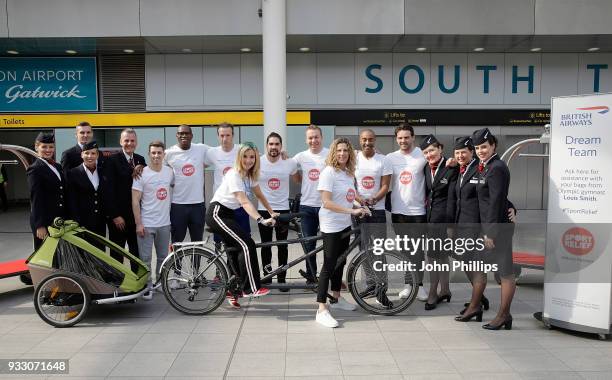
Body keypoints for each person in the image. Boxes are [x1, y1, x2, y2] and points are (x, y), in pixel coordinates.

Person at [205, 142, 277, 309]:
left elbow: (260, 195)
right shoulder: (234, 174)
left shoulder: (250, 176)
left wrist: (271, 212)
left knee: (236, 250)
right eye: (245, 156)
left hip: (228, 214)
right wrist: (260, 219)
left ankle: (233, 290)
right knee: (246, 244)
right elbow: (244, 201)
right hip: (217, 213)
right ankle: (250, 288)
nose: (248, 160)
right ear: (239, 157)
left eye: (252, 157)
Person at [315, 138, 368, 328]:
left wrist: (361, 204)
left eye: (346, 150)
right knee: (329, 265)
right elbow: (327, 202)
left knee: (340, 262)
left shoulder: (347, 173)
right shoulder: (328, 172)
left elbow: (350, 197)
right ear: (333, 152)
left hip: (344, 223)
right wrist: (352, 211)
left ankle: (336, 298)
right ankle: (321, 309)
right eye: (339, 150)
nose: (342, 154)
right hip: (330, 224)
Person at [472, 128, 516, 330]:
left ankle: (503, 315)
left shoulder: (496, 167)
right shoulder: (486, 166)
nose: (480, 150)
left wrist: (490, 232)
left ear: (493, 146)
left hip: (497, 229)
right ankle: (493, 311)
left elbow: (497, 201)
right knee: (487, 268)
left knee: (505, 272)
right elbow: (497, 197)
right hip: (492, 225)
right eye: (477, 147)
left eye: (484, 147)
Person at [384, 123, 428, 301]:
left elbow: (438, 162)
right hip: (398, 211)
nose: (403, 140)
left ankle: (420, 286)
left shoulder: (422, 154)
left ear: (413, 137)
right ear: (396, 139)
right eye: (400, 138)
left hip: (418, 212)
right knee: (404, 250)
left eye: (406, 137)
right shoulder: (390, 158)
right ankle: (408, 285)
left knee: (417, 250)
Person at [354, 129, 392, 306]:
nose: (367, 142)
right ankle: (370, 285)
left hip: (377, 211)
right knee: (363, 250)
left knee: (378, 251)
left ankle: (382, 289)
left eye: (370, 139)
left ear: (375, 140)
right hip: (359, 211)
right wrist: (359, 200)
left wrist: (375, 198)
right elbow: (350, 185)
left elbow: (385, 185)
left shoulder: (383, 160)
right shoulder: (354, 159)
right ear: (360, 140)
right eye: (364, 139)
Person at [132, 141, 174, 301]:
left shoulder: (170, 172)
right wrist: (139, 223)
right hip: (147, 224)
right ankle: (147, 286)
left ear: (164, 154)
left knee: (163, 257)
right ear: (149, 154)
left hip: (164, 223)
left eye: (159, 153)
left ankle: (159, 283)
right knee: (145, 259)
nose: (156, 156)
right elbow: (135, 200)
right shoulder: (142, 173)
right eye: (153, 153)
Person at [420, 134, 458, 310]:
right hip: (431, 220)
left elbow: (452, 199)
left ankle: (433, 293)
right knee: (441, 256)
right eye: (426, 152)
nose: (429, 154)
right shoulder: (427, 169)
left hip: (443, 221)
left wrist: (450, 226)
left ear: (440, 149)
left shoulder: (451, 168)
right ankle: (446, 290)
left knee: (433, 257)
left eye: (432, 150)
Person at [257, 132, 298, 290]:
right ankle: (267, 279)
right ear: (266, 146)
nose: (274, 147)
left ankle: (282, 279)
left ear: (281, 146)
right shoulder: (258, 162)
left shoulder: (289, 162)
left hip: (282, 210)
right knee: (266, 246)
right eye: (271, 144)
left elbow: (298, 179)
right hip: (264, 210)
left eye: (277, 144)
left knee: (283, 246)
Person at [293, 125, 329, 284]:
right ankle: (312, 277)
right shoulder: (300, 156)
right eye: (310, 138)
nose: (313, 140)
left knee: (329, 244)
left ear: (321, 137)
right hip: (306, 206)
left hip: (327, 206)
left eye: (316, 137)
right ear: (306, 140)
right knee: (309, 244)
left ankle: (329, 276)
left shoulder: (330, 154)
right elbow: (289, 168)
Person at [205, 123, 250, 243]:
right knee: (220, 241)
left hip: (240, 204)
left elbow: (258, 159)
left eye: (228, 135)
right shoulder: (212, 152)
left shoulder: (241, 150)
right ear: (218, 136)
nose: (225, 139)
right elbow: (199, 164)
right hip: (222, 205)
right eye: (222, 135)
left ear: (233, 135)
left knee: (244, 238)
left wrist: (282, 155)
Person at [105, 129, 146, 262]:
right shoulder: (111, 160)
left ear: (136, 142)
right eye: (126, 140)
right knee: (117, 252)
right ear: (121, 142)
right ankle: (117, 281)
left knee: (136, 252)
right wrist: (115, 215)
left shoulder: (140, 159)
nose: (129, 143)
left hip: (136, 216)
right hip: (119, 218)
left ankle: (137, 281)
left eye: (132, 140)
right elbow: (108, 190)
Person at [165, 124, 209, 243]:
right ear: (177, 136)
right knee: (176, 242)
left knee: (197, 242)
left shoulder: (201, 149)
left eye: (186, 133)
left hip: (198, 205)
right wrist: (140, 166)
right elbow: (156, 166)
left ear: (191, 135)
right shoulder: (168, 153)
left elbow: (219, 153)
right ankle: (176, 263)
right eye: (181, 133)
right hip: (178, 205)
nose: (184, 135)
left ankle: (196, 263)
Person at [26, 132, 66, 250]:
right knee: (45, 257)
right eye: (44, 147)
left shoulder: (57, 166)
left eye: (51, 147)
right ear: (36, 147)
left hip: (57, 221)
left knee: (57, 255)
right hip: (45, 221)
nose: (48, 150)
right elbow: (36, 198)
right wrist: (40, 225)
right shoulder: (35, 169)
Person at [66, 141, 110, 240]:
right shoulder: (73, 173)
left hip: (100, 222)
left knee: (99, 250)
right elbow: (71, 199)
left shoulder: (102, 171)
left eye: (93, 153)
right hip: (82, 222)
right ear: (82, 154)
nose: (90, 156)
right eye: (87, 153)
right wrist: (76, 221)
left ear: (98, 155)